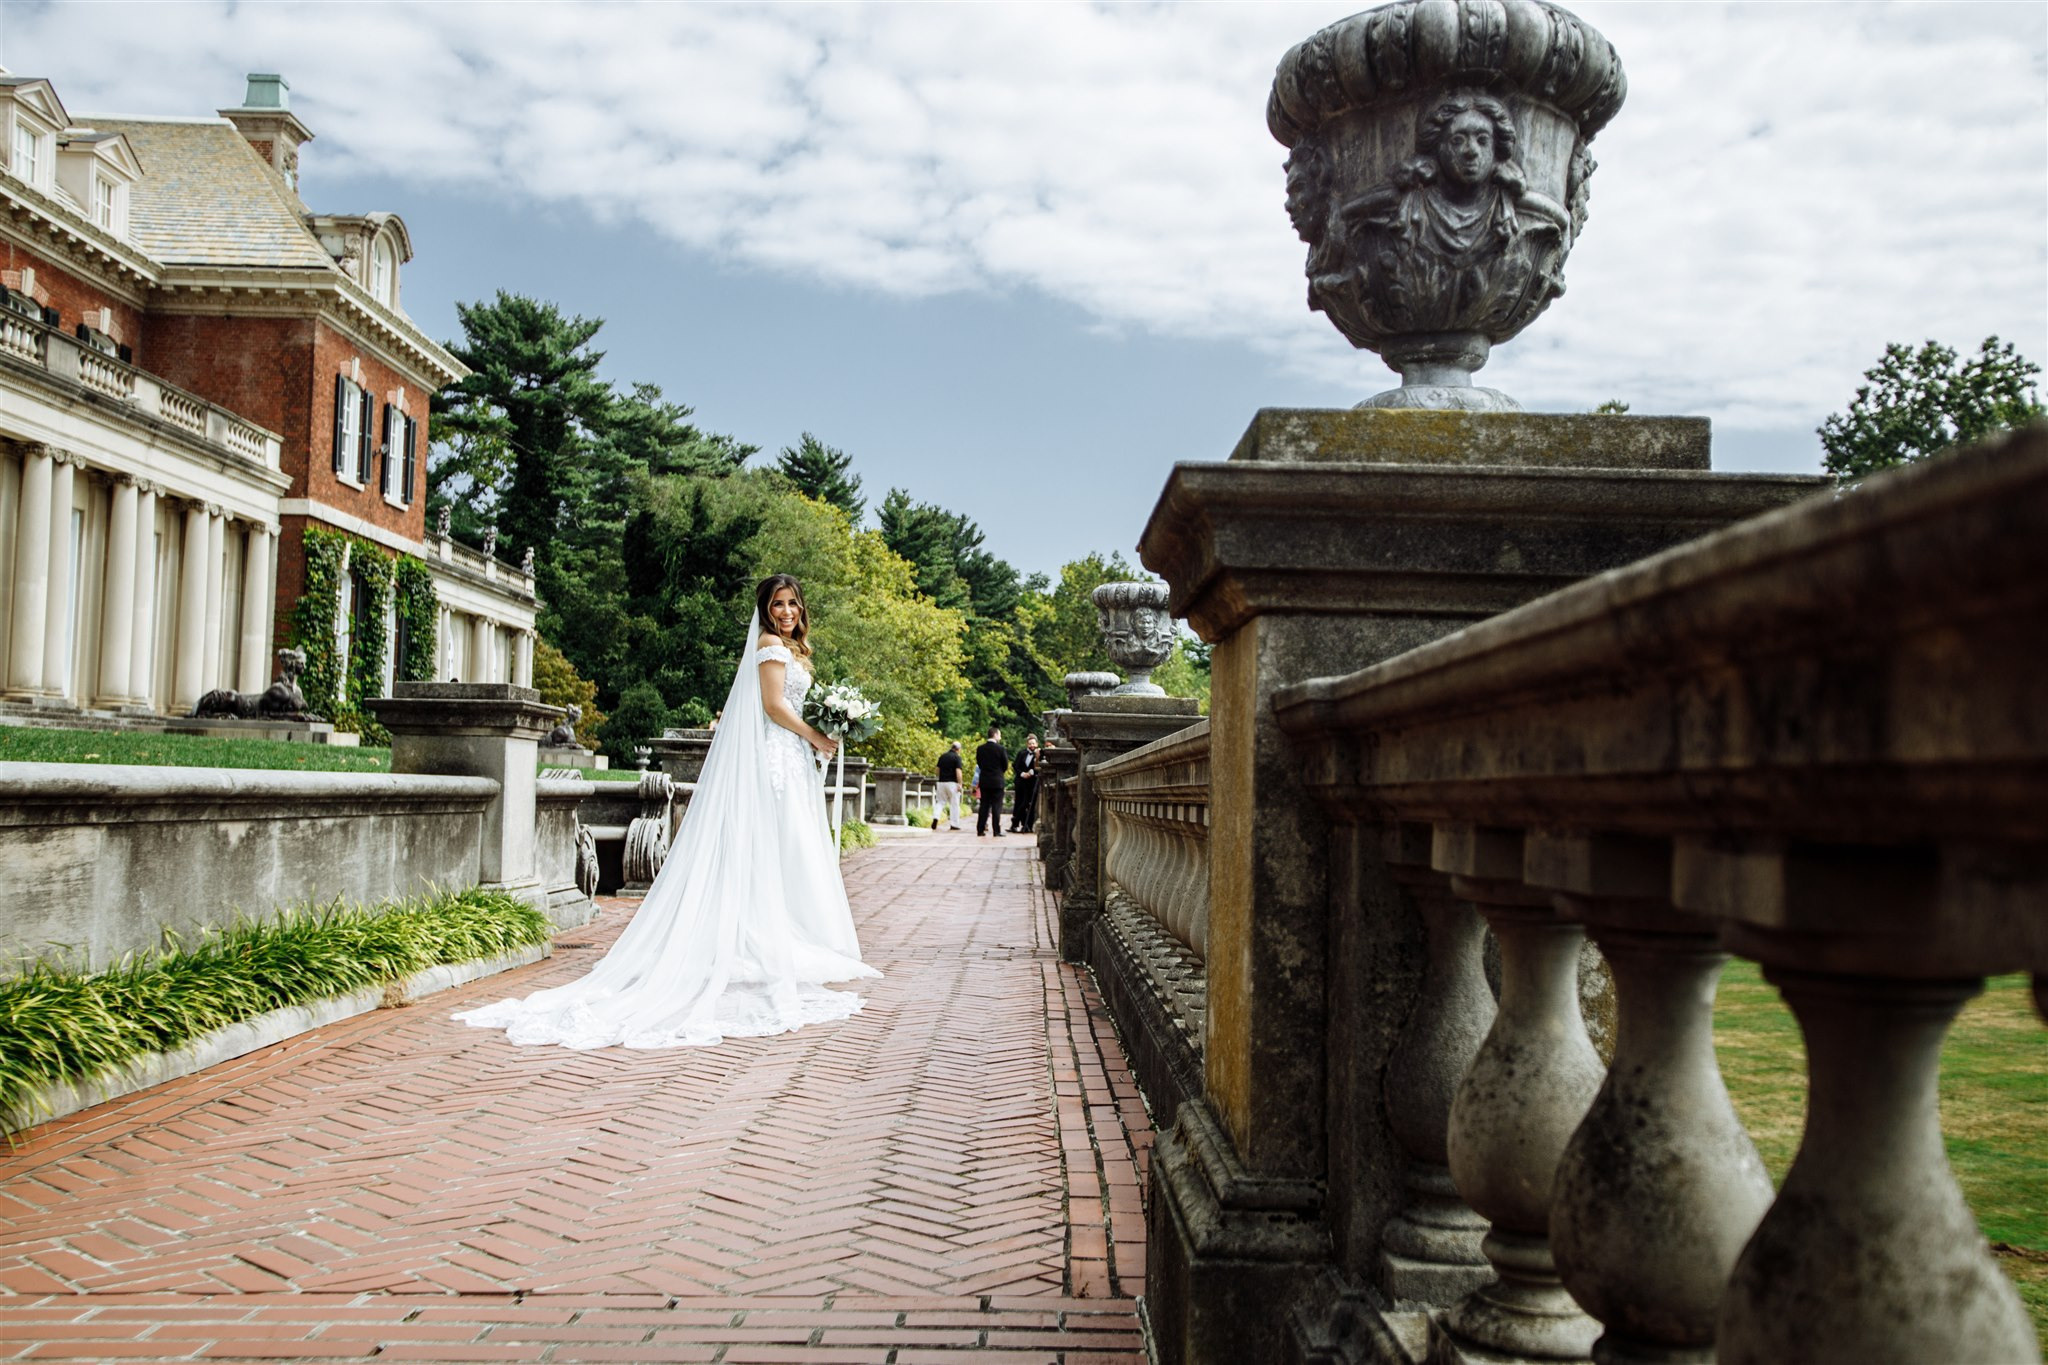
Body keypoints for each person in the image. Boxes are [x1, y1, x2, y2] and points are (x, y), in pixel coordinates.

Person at [455, 574, 879, 1048]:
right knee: (776, 846)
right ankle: (761, 939)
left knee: (785, 848)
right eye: (778, 604)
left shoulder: (792, 649)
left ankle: (783, 933)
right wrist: (816, 736)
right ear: (765, 609)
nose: (786, 612)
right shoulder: (768, 646)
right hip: (777, 757)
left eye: (793, 604)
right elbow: (775, 707)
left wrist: (827, 725)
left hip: (789, 758)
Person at [974, 726, 1009, 838]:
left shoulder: (980, 748)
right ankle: (996, 830)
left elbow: (979, 763)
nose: (1000, 736)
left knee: (984, 806)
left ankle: (980, 829)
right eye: (999, 734)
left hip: (984, 780)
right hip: (997, 781)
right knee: (996, 807)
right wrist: (998, 772)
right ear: (995, 735)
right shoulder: (1001, 749)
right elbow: (1005, 765)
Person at [1010, 733, 1040, 833]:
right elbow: (1015, 766)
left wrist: (1032, 772)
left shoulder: (1039, 753)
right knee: (1019, 803)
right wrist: (1022, 773)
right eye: (1030, 743)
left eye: (1033, 743)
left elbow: (1040, 766)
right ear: (1027, 744)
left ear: (1037, 744)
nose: (1031, 745)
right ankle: (1017, 824)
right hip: (1021, 782)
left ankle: (1026, 825)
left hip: (1032, 783)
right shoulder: (1021, 753)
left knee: (1028, 804)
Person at [935, 741, 964, 830]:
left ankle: (935, 817)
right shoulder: (957, 758)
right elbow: (958, 772)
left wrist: (941, 777)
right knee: (954, 804)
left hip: (941, 782)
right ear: (958, 749)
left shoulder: (942, 756)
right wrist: (960, 783)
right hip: (952, 783)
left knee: (940, 802)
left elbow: (937, 770)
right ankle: (954, 824)